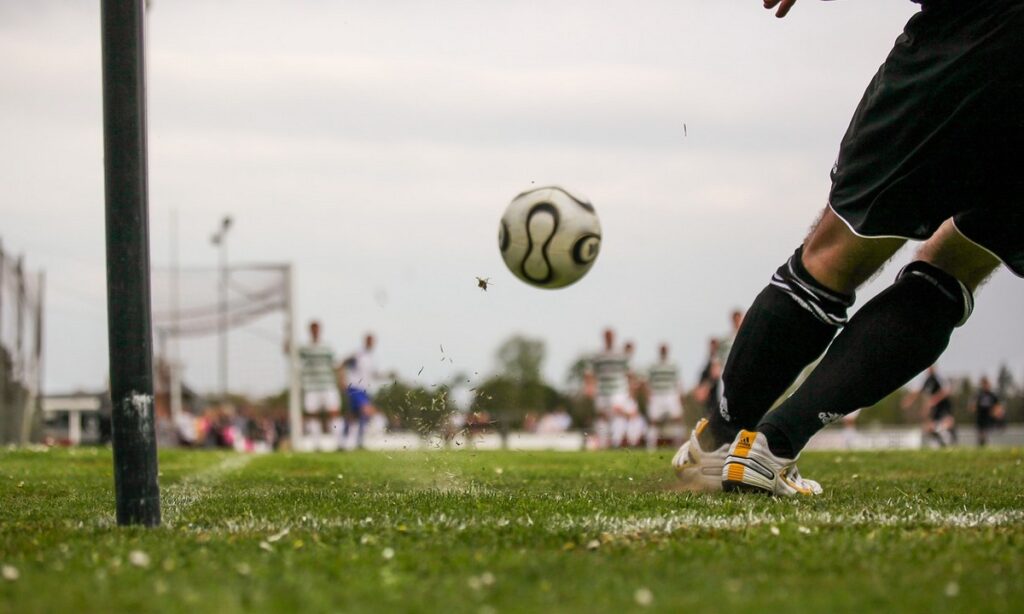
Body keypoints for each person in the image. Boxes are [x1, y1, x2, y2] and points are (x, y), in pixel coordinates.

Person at [676, 0, 1023, 496]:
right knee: (956, 267)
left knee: (833, 255)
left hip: (971, 33)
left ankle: (719, 444)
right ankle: (772, 447)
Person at [298, 320, 343, 450]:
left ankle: (339, 443)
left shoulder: (327, 347)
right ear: (310, 330)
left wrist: (341, 380)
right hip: (311, 387)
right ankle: (316, 444)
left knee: (334, 412)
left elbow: (336, 364)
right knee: (312, 414)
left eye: (317, 328)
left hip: (328, 385)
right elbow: (290, 353)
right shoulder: (304, 348)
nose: (315, 331)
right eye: (313, 329)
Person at [583, 329, 631, 449]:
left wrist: (630, 389)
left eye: (610, 336)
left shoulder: (620, 354)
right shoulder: (598, 355)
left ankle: (616, 442)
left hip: (618, 389)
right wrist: (589, 386)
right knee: (602, 415)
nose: (609, 338)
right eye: (606, 336)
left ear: (614, 337)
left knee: (617, 413)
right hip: (602, 390)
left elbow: (628, 372)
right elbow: (590, 372)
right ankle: (603, 443)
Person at [341, 333, 380, 450]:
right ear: (365, 341)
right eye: (369, 340)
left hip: (364, 389)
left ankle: (345, 441)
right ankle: (359, 441)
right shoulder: (358, 354)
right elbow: (342, 363)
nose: (370, 343)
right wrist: (341, 379)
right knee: (367, 411)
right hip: (354, 388)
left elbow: (373, 374)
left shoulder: (371, 357)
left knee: (353, 416)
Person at [903, 365, 956, 448]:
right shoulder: (927, 380)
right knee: (929, 428)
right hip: (935, 408)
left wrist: (934, 400)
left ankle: (950, 443)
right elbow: (919, 391)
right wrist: (910, 400)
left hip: (944, 406)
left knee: (948, 423)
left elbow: (947, 390)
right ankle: (941, 444)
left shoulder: (939, 378)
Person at [646, 343, 686, 450]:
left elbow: (678, 381)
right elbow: (649, 382)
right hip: (657, 394)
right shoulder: (653, 366)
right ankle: (651, 447)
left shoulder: (673, 365)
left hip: (670, 394)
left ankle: (679, 445)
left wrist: (680, 396)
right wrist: (649, 395)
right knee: (653, 421)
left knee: (677, 418)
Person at [970, 376, 1004, 447]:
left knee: (988, 435)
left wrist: (997, 413)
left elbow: (998, 407)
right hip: (980, 418)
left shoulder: (992, 395)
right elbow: (973, 407)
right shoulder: (978, 395)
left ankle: (987, 446)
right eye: (984, 384)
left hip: (989, 419)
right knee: (980, 436)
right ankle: (981, 447)